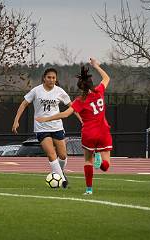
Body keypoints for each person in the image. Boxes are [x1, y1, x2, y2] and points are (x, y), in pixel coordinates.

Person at [36, 58, 112, 195]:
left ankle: (89, 190)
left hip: (89, 133)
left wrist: (47, 118)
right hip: (103, 131)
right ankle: (101, 163)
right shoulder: (99, 91)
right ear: (91, 84)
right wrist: (96, 66)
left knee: (88, 161)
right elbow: (106, 78)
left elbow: (65, 114)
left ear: (80, 87)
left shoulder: (80, 101)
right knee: (106, 166)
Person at [12, 68, 77, 188]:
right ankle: (63, 181)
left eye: (53, 78)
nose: (51, 80)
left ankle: (59, 173)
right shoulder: (36, 91)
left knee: (63, 155)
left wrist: (82, 119)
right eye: (49, 77)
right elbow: (24, 104)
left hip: (57, 127)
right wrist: (16, 120)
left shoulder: (59, 91)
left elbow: (72, 106)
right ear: (44, 78)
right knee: (51, 154)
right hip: (41, 128)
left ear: (56, 79)